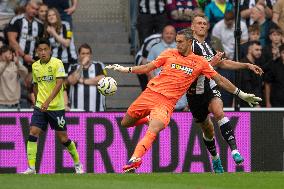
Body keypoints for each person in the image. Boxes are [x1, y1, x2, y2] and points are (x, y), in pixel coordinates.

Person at [106, 29, 262, 173]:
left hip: (166, 102)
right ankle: (147, 119)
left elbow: (220, 80)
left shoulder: (200, 62)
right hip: (149, 94)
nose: (177, 44)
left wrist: (240, 94)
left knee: (153, 130)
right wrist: (126, 69)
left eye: (180, 41)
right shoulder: (169, 53)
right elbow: (148, 67)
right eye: (176, 41)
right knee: (125, 123)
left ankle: (135, 159)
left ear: (189, 42)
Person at [187, 14, 263, 173]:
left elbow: (223, 63)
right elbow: (190, 72)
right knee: (208, 129)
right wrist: (211, 63)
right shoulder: (189, 47)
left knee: (219, 111)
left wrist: (246, 65)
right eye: (199, 23)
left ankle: (235, 151)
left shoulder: (208, 46)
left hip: (211, 87)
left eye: (204, 23)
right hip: (195, 94)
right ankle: (215, 158)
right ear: (192, 27)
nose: (202, 25)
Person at [21, 38, 83, 174]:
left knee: (63, 138)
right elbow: (36, 85)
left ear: (50, 50)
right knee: (33, 132)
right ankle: (31, 167)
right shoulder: (35, 66)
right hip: (40, 107)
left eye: (45, 49)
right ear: (37, 52)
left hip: (56, 107)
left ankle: (77, 163)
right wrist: (37, 102)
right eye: (40, 50)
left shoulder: (57, 63)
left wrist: (48, 101)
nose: (43, 52)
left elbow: (59, 83)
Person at [68, 43, 106, 112]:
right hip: (77, 111)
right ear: (79, 55)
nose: (85, 56)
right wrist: (82, 65)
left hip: (97, 110)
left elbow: (103, 80)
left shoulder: (99, 65)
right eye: (83, 53)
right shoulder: (73, 67)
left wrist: (83, 81)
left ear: (90, 55)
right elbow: (72, 80)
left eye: (87, 53)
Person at [44, 8, 77, 73]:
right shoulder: (47, 30)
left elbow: (67, 43)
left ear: (57, 16)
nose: (51, 17)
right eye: (49, 15)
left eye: (53, 15)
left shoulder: (66, 25)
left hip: (69, 60)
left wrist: (53, 33)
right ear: (47, 18)